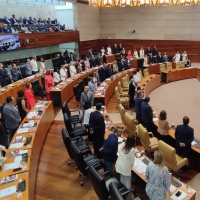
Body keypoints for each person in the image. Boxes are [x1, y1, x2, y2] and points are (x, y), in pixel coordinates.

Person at [116, 134, 135, 200]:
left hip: (120, 165)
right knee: (128, 184)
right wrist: (131, 167)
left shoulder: (123, 144)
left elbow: (120, 151)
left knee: (122, 179)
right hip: (126, 169)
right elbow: (132, 162)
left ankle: (122, 195)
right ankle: (129, 198)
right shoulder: (132, 150)